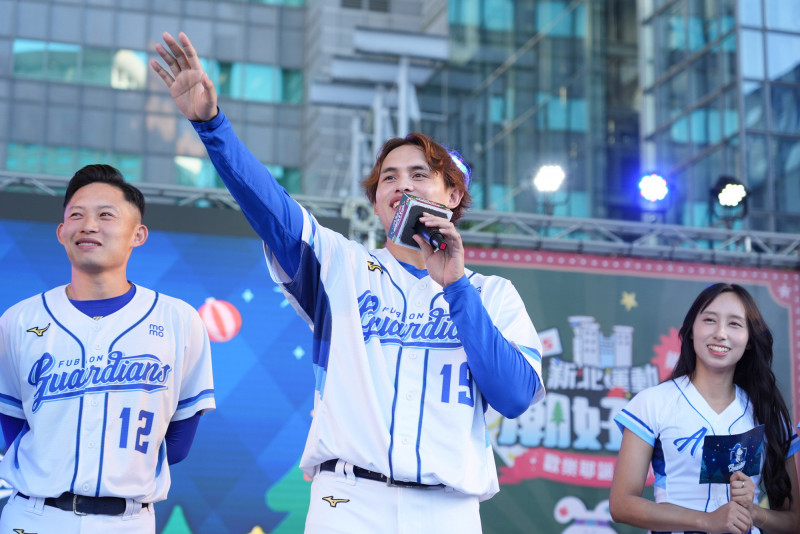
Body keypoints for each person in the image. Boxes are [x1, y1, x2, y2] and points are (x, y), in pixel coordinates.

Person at [151, 31, 545, 533]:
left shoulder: (492, 293)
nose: (402, 185)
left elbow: (514, 397)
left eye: (419, 174)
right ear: (377, 204)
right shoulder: (341, 265)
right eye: (388, 178)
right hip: (349, 501)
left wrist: (456, 288)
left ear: (452, 195)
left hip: (448, 509)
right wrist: (212, 126)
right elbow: (269, 207)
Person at [0, 165, 216, 533]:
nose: (88, 225)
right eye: (76, 215)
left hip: (128, 521)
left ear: (138, 234)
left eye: (105, 215)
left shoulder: (178, 320)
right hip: (33, 517)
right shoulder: (19, 320)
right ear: (61, 232)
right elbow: (13, 427)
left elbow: (178, 443)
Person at [610, 283, 800, 534]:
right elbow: (622, 504)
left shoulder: (768, 412)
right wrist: (706, 520)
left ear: (749, 340)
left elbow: (794, 522)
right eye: (710, 320)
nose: (720, 333)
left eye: (735, 324)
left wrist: (753, 513)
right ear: (691, 330)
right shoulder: (653, 402)